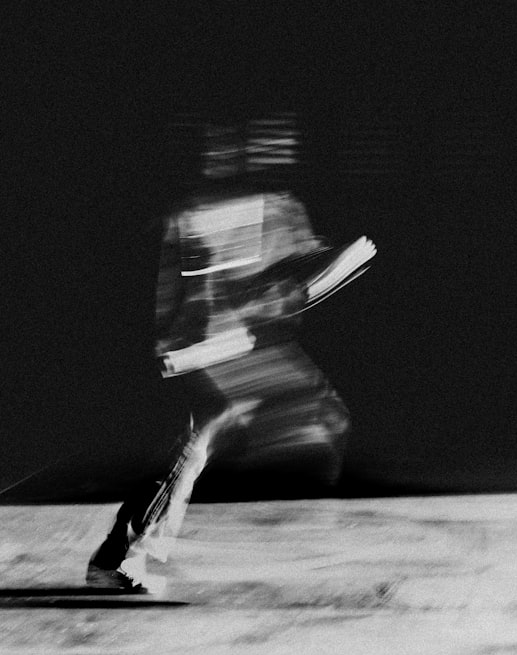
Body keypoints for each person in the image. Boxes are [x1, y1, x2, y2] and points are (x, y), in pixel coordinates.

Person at [86, 115, 351, 593]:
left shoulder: (266, 208)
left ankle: (119, 552)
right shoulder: (195, 215)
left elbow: (275, 272)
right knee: (191, 446)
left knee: (192, 447)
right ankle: (125, 555)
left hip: (216, 347)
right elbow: (193, 289)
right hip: (196, 350)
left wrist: (321, 268)